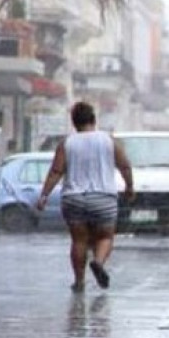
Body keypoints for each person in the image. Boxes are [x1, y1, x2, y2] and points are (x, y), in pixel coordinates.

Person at [37, 102, 134, 292]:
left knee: (79, 240)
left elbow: (56, 171)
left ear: (74, 123)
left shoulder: (67, 143)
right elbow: (125, 166)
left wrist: (44, 195)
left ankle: (79, 281)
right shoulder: (109, 141)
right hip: (104, 197)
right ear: (94, 120)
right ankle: (98, 262)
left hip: (74, 198)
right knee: (105, 237)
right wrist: (130, 187)